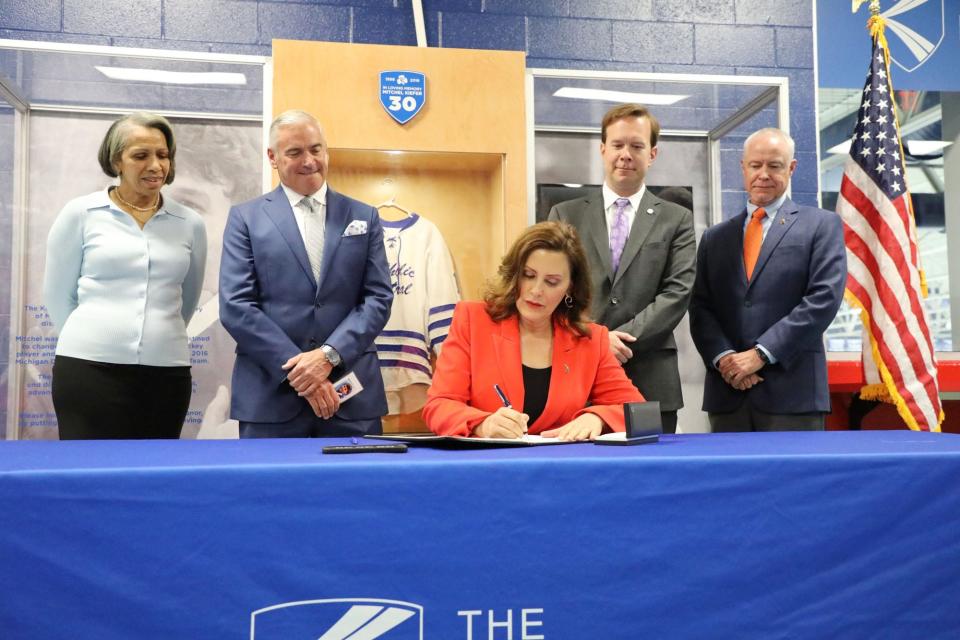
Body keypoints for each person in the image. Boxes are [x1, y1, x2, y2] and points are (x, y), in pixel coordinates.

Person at [219, 110, 393, 438]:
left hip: (350, 394)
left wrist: (328, 356)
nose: (309, 161)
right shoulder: (245, 219)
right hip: (271, 396)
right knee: (270, 490)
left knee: (358, 488)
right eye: (295, 152)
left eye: (316, 149)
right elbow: (236, 306)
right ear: (272, 157)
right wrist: (302, 373)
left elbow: (378, 298)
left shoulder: (363, 216)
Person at [43, 112, 207, 439]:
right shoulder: (81, 213)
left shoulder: (190, 223)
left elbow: (187, 301)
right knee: (88, 473)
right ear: (117, 160)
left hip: (167, 372)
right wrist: (93, 340)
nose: (156, 165)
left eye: (163, 155)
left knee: (153, 475)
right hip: (87, 368)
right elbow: (58, 295)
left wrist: (157, 334)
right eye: (141, 156)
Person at [548, 103, 696, 434]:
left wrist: (622, 340)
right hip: (579, 377)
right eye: (617, 145)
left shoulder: (677, 219)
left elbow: (678, 292)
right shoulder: (564, 214)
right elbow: (551, 291)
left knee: (655, 481)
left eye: (637, 146)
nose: (625, 154)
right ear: (603, 150)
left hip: (651, 379)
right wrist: (598, 340)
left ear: (653, 154)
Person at [423, 221, 644, 441]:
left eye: (552, 281)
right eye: (528, 275)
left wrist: (598, 417)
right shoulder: (472, 320)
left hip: (559, 468)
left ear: (570, 288)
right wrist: (483, 424)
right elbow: (439, 406)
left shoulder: (590, 339)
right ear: (514, 275)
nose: (537, 290)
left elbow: (641, 413)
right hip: (487, 466)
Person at [689, 128, 846, 432]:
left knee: (795, 481)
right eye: (755, 165)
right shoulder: (714, 238)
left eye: (774, 165)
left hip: (793, 395)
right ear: (743, 167)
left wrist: (761, 354)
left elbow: (823, 299)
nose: (763, 174)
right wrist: (725, 359)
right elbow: (700, 308)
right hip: (728, 393)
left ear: (791, 168)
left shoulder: (821, 226)